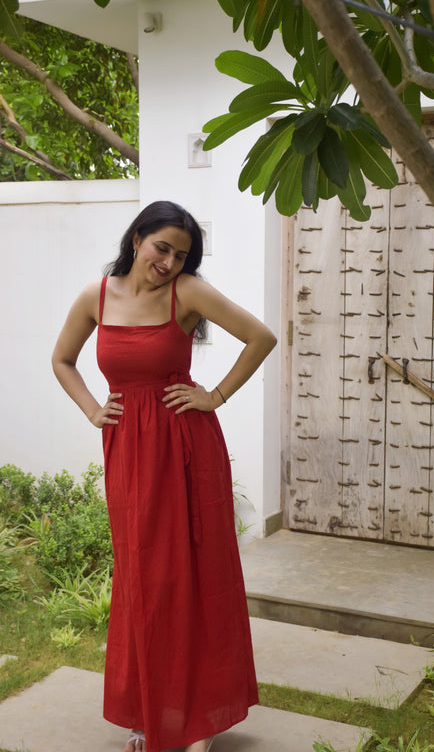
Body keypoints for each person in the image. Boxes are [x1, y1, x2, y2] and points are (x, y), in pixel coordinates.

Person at [51, 200, 277, 752]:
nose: (170, 261)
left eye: (181, 253)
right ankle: (152, 712)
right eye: (163, 247)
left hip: (184, 449)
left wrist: (213, 396)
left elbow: (261, 337)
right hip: (129, 452)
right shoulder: (95, 297)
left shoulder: (189, 293)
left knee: (189, 576)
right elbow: (62, 360)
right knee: (143, 581)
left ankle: (193, 718)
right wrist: (91, 410)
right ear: (137, 239)